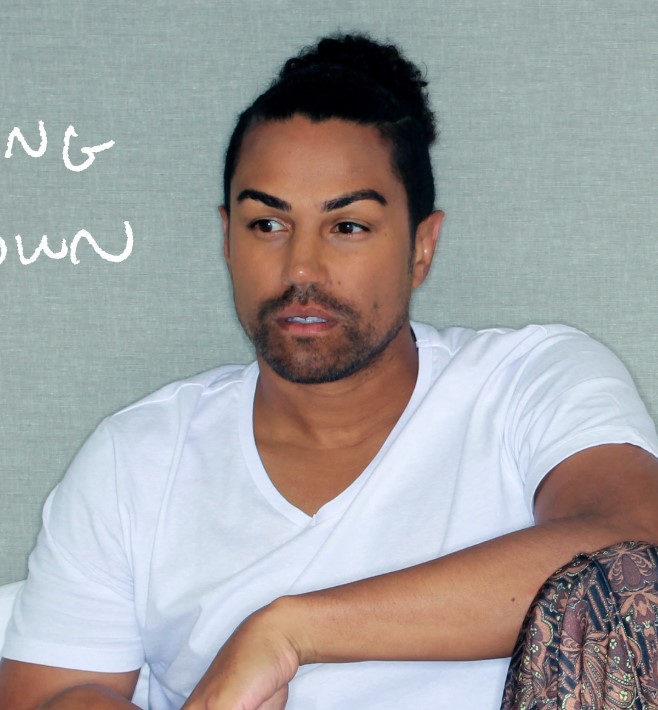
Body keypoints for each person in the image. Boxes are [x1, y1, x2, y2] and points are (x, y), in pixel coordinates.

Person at [1, 33, 658, 710]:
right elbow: (46, 693)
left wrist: (289, 633)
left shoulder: (528, 382)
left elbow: (638, 553)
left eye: (347, 227)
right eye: (267, 224)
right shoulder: (136, 460)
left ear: (422, 247)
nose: (301, 269)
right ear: (227, 238)